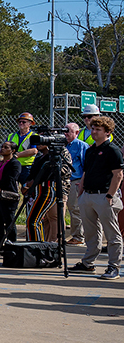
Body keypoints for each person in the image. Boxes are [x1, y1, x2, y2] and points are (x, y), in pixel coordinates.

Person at [72, 116, 123, 279]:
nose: (93, 132)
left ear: (107, 132)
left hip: (104, 196)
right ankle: (88, 263)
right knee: (91, 233)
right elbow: (86, 172)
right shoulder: (90, 150)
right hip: (88, 195)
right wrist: (81, 192)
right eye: (92, 129)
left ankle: (114, 266)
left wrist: (110, 195)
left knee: (112, 234)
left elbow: (118, 175)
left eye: (97, 129)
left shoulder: (112, 150)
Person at [21, 130, 72, 243]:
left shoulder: (60, 152)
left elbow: (65, 171)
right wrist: (27, 184)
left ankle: (55, 245)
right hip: (40, 191)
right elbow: (32, 173)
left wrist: (39, 178)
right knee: (44, 219)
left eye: (42, 139)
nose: (39, 143)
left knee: (55, 217)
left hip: (57, 189)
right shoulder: (40, 157)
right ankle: (45, 243)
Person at [64, 122, 90, 244]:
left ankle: (78, 236)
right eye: (64, 131)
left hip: (76, 180)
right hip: (64, 180)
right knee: (65, 207)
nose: (65, 134)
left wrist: (83, 182)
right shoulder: (64, 145)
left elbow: (86, 165)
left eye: (68, 131)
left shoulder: (81, 146)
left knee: (75, 208)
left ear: (76, 133)